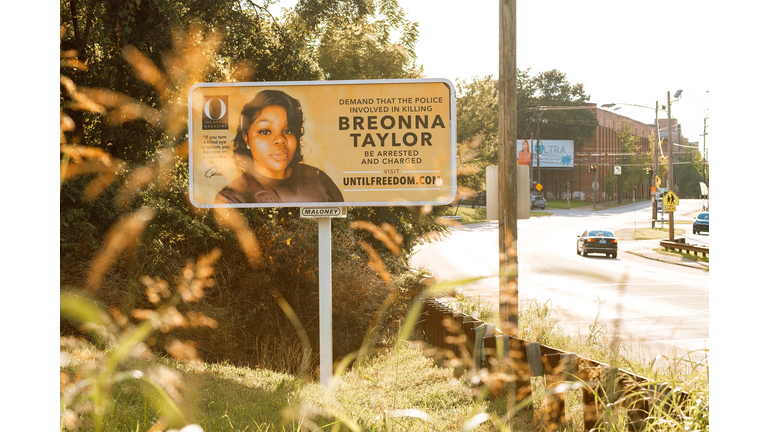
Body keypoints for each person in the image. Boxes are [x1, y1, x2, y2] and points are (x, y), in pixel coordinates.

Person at [215, 90, 344, 204]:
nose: (280, 139)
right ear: (246, 138)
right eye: (265, 131)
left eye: (288, 130)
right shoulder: (233, 198)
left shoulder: (318, 180)